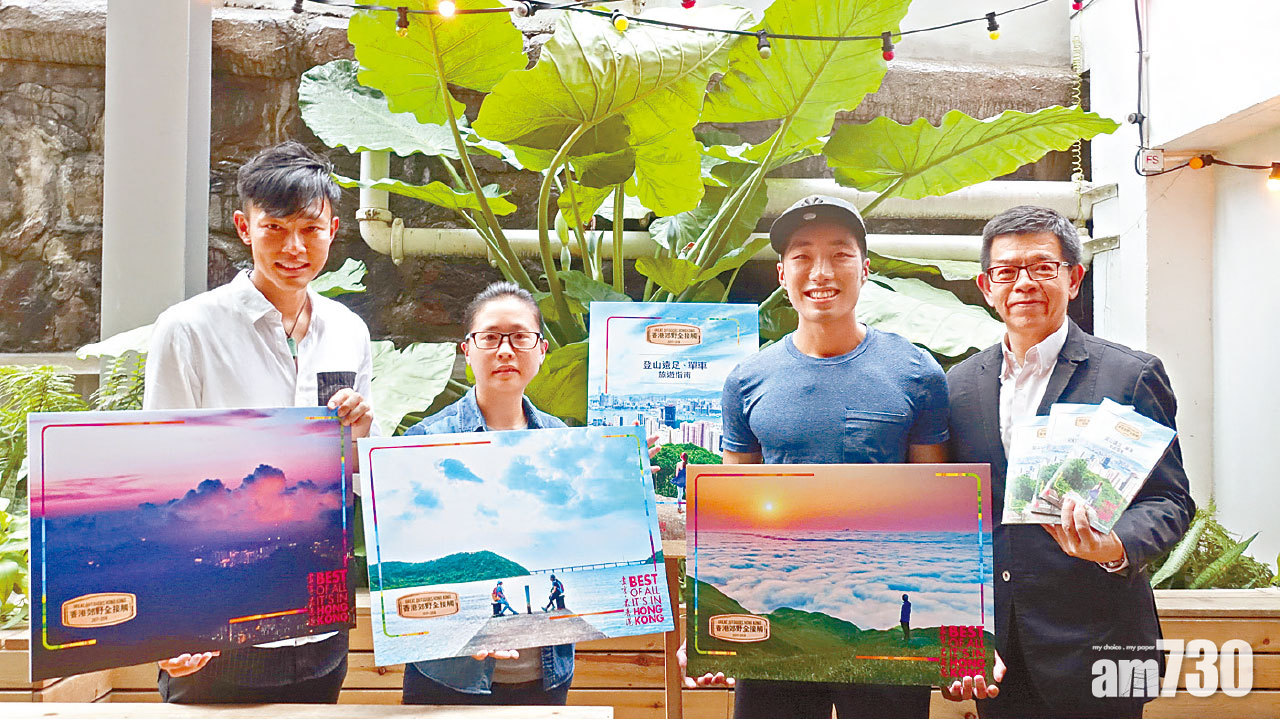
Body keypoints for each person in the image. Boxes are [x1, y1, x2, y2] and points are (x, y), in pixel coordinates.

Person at [680, 195, 951, 719]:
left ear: (865, 269)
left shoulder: (918, 373)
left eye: (840, 254)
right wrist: (708, 626)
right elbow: (732, 521)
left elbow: (940, 510)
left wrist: (950, 634)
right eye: (802, 256)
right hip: (779, 616)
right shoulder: (747, 380)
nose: (820, 272)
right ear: (782, 273)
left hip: (883, 616)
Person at [143, 141, 374, 703]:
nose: (294, 247)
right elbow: (158, 478)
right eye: (275, 228)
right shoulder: (188, 330)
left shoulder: (349, 331)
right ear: (245, 228)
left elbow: (352, 475)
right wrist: (171, 618)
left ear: (333, 229)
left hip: (319, 618)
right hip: (215, 622)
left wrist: (360, 436)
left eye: (310, 229)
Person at [942, 206, 1194, 718]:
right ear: (985, 286)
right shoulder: (957, 386)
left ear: (1074, 278)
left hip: (1100, 639)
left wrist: (1114, 544)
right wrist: (958, 642)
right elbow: (948, 525)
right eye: (1006, 271)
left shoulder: (1130, 376)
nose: (1023, 284)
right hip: (998, 650)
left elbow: (1170, 498)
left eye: (1042, 267)